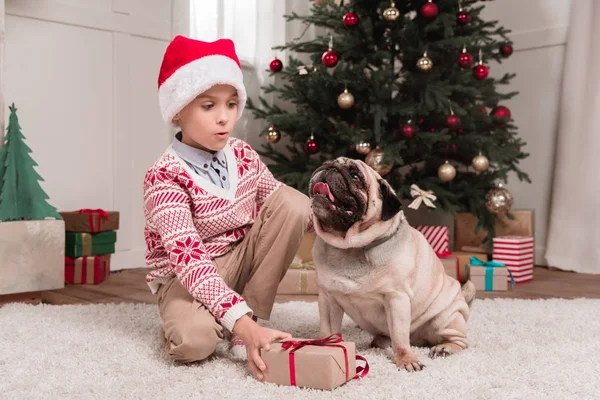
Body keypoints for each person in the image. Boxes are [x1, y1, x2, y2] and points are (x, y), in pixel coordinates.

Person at [143, 35, 313, 381]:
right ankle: (224, 318)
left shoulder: (242, 154)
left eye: (231, 104)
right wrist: (238, 319)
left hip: (241, 257)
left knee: (294, 203)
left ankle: (244, 320)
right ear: (178, 110)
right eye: (209, 106)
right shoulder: (163, 176)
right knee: (193, 345)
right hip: (186, 274)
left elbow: (282, 203)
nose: (224, 118)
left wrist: (346, 222)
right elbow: (189, 260)